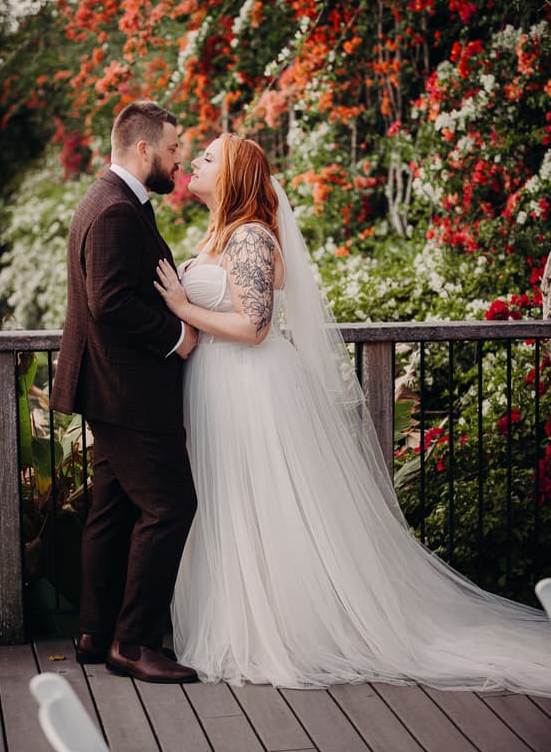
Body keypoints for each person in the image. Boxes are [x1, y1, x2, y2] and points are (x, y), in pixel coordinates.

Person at [154, 132, 551, 694]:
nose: (194, 160)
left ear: (235, 175)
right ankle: (236, 615)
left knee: (260, 502)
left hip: (249, 388)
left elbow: (254, 326)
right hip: (217, 386)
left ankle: (278, 628)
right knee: (227, 502)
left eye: (209, 157)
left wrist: (181, 306)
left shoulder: (250, 238)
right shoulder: (220, 233)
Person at [50, 100, 198, 684]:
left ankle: (94, 632)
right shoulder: (115, 210)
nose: (178, 156)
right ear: (143, 149)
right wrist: (178, 337)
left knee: (112, 511)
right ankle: (133, 644)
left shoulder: (109, 200)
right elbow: (108, 302)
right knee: (170, 507)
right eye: (174, 146)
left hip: (110, 389)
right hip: (128, 392)